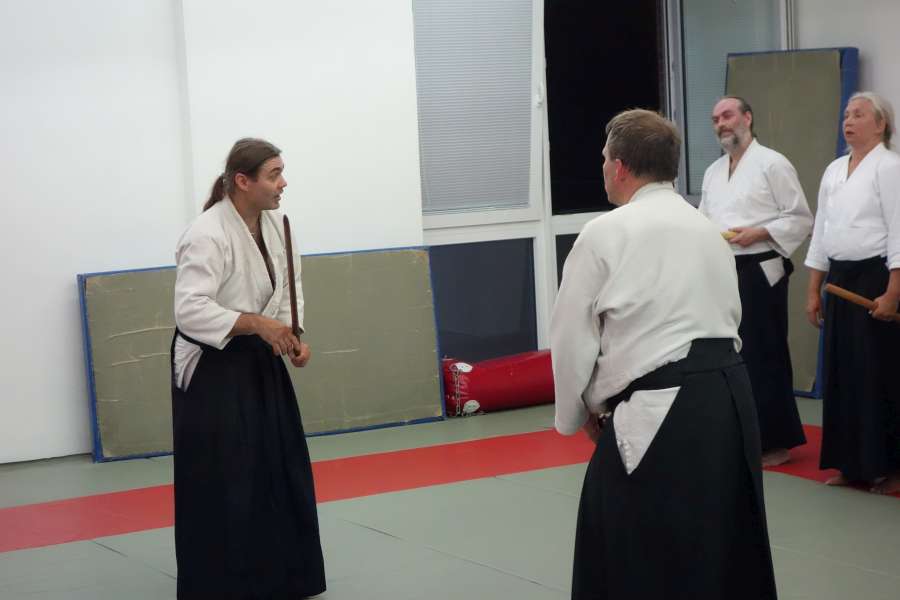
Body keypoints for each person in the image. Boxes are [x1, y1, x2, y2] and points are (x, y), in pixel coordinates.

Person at [551, 109, 777, 600]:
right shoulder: (706, 229)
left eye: (605, 158)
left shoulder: (604, 233)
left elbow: (571, 338)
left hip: (663, 405)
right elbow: (728, 315)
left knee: (631, 541)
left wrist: (579, 412)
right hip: (731, 402)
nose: (603, 167)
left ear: (619, 167)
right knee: (721, 543)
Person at [171, 138, 326, 598]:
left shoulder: (279, 225)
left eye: (281, 172)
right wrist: (256, 323)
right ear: (243, 181)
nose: (283, 183)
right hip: (213, 364)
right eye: (274, 174)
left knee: (279, 464)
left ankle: (283, 576)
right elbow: (189, 310)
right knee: (227, 473)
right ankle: (222, 584)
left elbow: (290, 288)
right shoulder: (206, 233)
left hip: (261, 357)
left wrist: (292, 337)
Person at [699, 96, 813, 467]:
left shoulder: (773, 163)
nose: (721, 123)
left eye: (728, 115)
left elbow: (800, 218)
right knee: (728, 353)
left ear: (747, 118)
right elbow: (704, 219)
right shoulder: (713, 172)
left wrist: (759, 232)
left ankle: (775, 441)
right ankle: (739, 435)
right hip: (724, 267)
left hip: (762, 268)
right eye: (715, 119)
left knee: (764, 353)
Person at [805, 91, 900, 495]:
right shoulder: (833, 171)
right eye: (846, 114)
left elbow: (899, 230)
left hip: (875, 278)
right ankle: (851, 465)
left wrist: (893, 291)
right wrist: (814, 289)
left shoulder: (890, 167)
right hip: (839, 279)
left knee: (879, 373)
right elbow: (821, 232)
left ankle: (890, 465)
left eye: (859, 114)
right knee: (843, 373)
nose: (849, 120)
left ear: (880, 124)